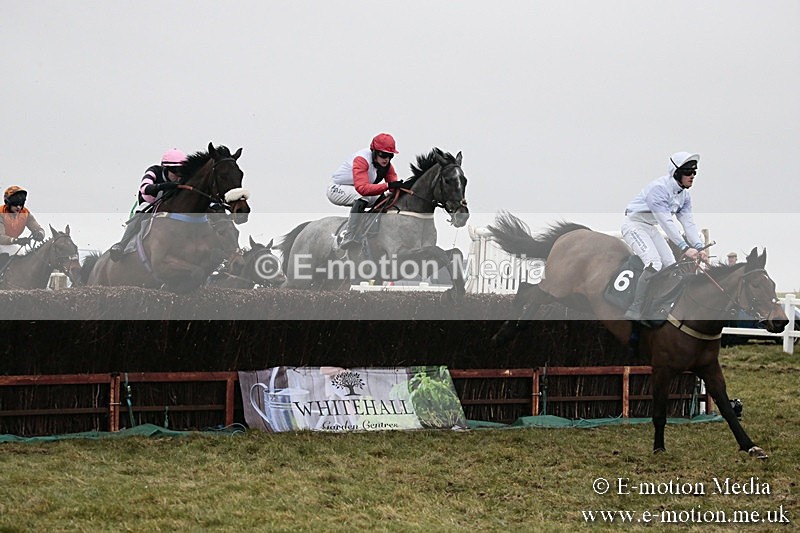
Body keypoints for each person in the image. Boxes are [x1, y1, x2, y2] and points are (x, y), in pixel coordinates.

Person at [621, 151, 708, 320]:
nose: (692, 176)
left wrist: (698, 247)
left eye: (694, 173)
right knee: (654, 263)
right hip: (634, 225)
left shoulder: (684, 196)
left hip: (649, 227)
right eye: (688, 173)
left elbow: (688, 223)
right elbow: (666, 222)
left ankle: (660, 304)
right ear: (677, 173)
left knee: (671, 265)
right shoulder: (659, 189)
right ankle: (635, 308)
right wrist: (684, 247)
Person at [326, 133, 404, 250]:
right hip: (337, 189)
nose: (386, 159)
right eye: (383, 155)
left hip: (358, 189)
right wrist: (388, 185)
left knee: (385, 199)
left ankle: (370, 228)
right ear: (374, 152)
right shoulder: (361, 160)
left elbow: (393, 189)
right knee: (363, 196)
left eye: (390, 156)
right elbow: (362, 188)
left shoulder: (387, 166)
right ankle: (349, 235)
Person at [109, 148, 187, 261]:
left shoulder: (183, 178)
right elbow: (144, 188)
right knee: (143, 209)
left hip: (168, 205)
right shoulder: (154, 171)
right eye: (176, 171)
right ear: (166, 168)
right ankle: (122, 245)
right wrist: (165, 185)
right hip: (148, 203)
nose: (179, 175)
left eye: (182, 171)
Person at [0, 186, 46, 268]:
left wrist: (39, 234)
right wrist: (16, 240)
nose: (19, 207)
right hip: (2, 243)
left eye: (21, 204)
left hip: (9, 244)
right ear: (7, 203)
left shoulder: (25, 213)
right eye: (16, 204)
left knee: (22, 255)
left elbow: (38, 228)